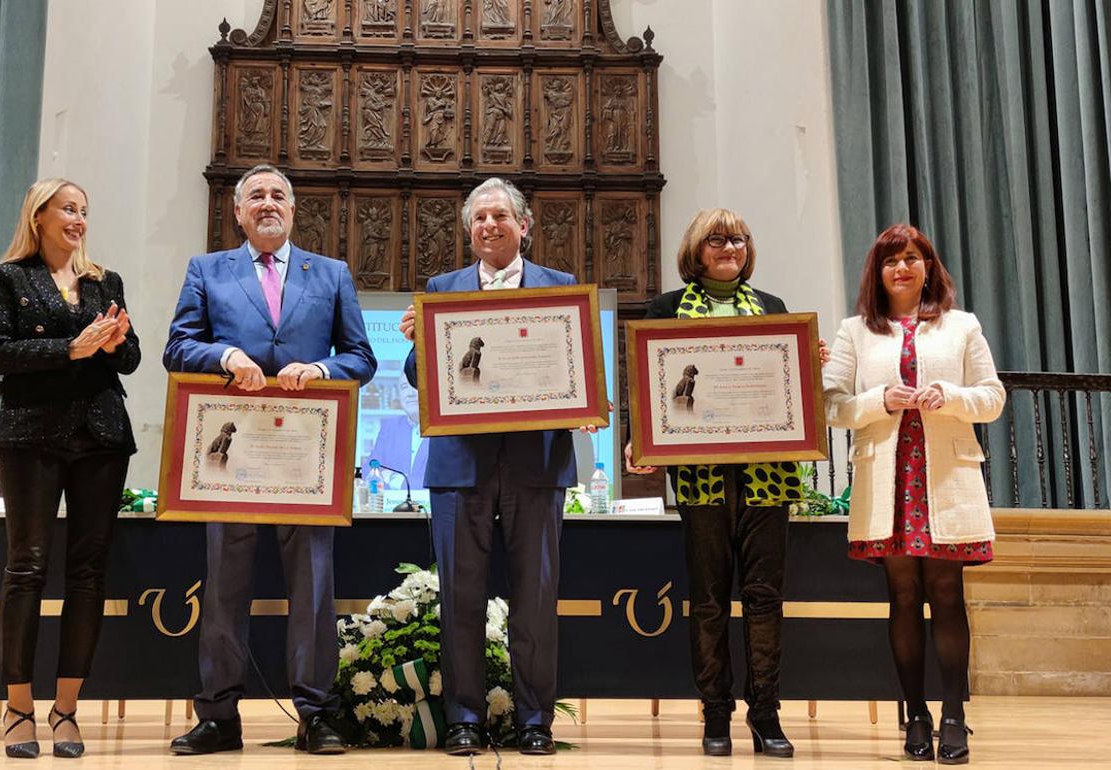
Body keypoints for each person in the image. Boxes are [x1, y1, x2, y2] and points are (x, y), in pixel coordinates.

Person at [163, 164, 377, 755]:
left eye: (277, 195)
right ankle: (218, 717)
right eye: (255, 195)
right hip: (228, 457)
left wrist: (322, 369)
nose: (267, 203)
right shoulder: (207, 270)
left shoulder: (330, 274)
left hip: (303, 456)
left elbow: (361, 357)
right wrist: (227, 354)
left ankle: (316, 714)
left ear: (292, 208)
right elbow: (176, 347)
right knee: (225, 587)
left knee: (313, 588)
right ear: (237, 212)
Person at [398, 177, 601, 756]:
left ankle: (534, 721)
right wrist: (419, 346)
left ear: (524, 226)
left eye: (500, 216)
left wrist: (588, 405)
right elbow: (422, 378)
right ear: (469, 231)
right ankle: (465, 719)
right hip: (461, 465)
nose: (489, 225)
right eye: (479, 218)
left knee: (535, 600)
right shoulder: (443, 288)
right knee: (460, 599)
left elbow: (580, 369)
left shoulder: (562, 289)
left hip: (537, 464)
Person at [624, 208, 828, 758]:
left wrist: (811, 363)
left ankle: (766, 715)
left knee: (764, 597)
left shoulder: (773, 308)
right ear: (696, 248)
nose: (729, 246)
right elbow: (650, 385)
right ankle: (716, 715)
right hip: (700, 475)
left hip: (768, 473)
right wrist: (639, 438)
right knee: (710, 599)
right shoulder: (666, 309)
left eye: (737, 237)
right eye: (716, 238)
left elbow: (792, 386)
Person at [823, 224, 1003, 764]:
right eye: (890, 261)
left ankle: (954, 715)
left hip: (945, 477)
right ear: (876, 273)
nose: (901, 268)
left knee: (947, 596)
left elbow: (992, 398)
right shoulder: (855, 331)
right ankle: (915, 716)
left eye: (911, 258)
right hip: (889, 479)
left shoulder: (962, 326)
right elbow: (833, 406)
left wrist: (945, 396)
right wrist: (881, 399)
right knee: (902, 598)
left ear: (928, 267)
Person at [0, 178, 140, 759]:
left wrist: (114, 341)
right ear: (40, 215)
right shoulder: (9, 278)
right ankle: (18, 708)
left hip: (101, 436)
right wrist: (71, 348)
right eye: (68, 209)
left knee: (88, 573)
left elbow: (131, 357)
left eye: (84, 211)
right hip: (31, 435)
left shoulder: (105, 282)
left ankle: (66, 710)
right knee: (26, 567)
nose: (78, 219)